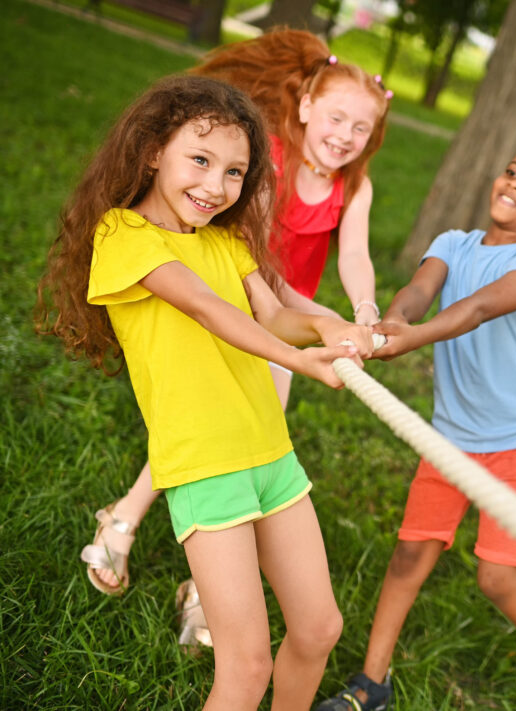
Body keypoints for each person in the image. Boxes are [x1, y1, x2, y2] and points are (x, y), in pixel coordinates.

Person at [36, 74, 375, 710]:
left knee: (319, 628)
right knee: (244, 665)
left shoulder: (224, 237)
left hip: (270, 454)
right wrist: (303, 364)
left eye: (234, 173)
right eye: (200, 160)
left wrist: (329, 325)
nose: (215, 187)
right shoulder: (123, 235)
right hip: (204, 465)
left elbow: (272, 314)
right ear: (152, 152)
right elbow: (209, 310)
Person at [78, 30, 392, 607]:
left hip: (276, 312)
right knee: (212, 428)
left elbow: (354, 256)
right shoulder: (262, 162)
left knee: (247, 432)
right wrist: (321, 327)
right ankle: (134, 524)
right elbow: (260, 277)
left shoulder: (354, 185)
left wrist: (362, 317)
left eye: (360, 128)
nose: (345, 137)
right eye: (336, 119)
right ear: (305, 108)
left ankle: (202, 582)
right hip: (247, 294)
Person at [316, 143, 516, 711]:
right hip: (449, 439)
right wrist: (394, 322)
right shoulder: (452, 244)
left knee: (496, 575)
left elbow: (479, 309)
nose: (515, 184)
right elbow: (418, 292)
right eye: (511, 171)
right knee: (410, 557)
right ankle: (372, 683)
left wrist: (412, 339)